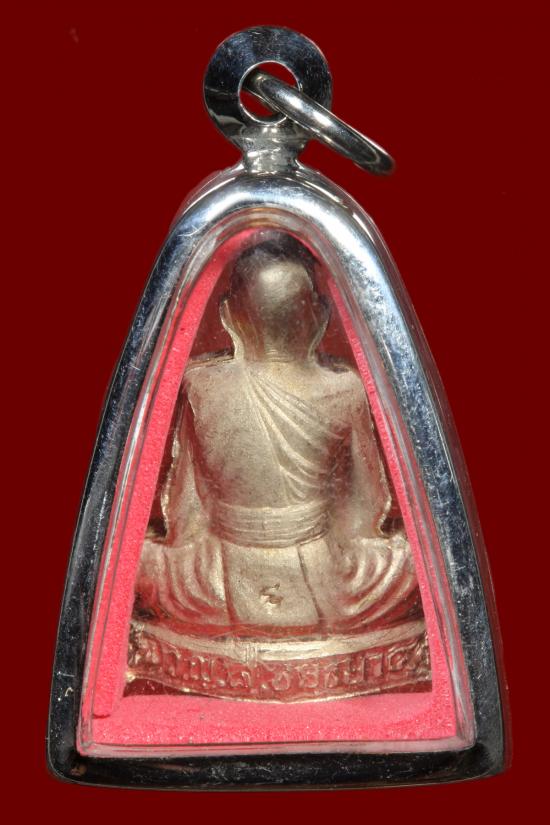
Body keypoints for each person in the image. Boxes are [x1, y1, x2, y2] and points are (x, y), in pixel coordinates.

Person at [129, 230, 429, 700]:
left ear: (229, 316)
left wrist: (181, 564)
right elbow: (366, 507)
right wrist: (359, 556)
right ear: (320, 318)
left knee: (134, 562)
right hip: (332, 584)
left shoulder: (201, 385)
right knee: (421, 560)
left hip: (211, 585)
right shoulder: (344, 389)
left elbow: (184, 506)